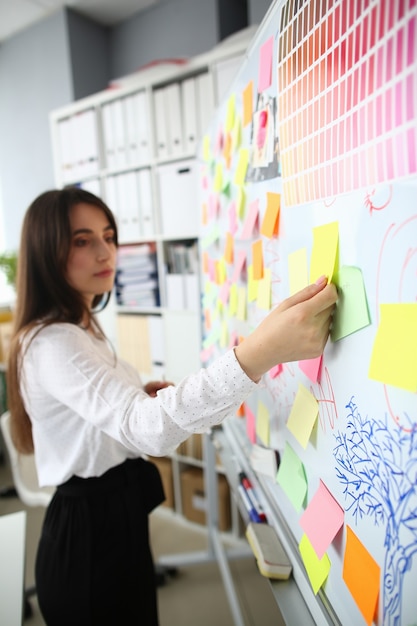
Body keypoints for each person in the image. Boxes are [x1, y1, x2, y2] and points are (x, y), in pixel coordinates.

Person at [7, 187, 337, 626]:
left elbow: (90, 402)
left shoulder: (79, 325)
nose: (106, 252)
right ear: (45, 251)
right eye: (83, 241)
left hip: (114, 518)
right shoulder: (53, 342)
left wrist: (139, 388)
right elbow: (146, 430)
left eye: (109, 236)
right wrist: (258, 353)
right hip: (87, 539)